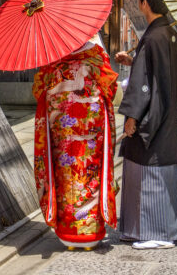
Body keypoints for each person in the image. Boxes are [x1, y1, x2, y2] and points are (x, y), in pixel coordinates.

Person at [114, 0, 177, 250]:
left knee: (147, 170)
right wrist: (133, 60)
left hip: (151, 120)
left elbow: (144, 85)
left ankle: (153, 231)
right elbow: (159, 73)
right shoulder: (168, 33)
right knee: (161, 170)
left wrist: (132, 119)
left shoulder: (152, 37)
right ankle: (161, 228)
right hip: (166, 114)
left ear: (144, 3)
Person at [33, 34, 118, 250]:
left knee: (65, 179)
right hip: (90, 130)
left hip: (61, 130)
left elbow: (39, 91)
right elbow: (111, 88)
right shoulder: (95, 56)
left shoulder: (53, 59)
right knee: (90, 174)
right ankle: (91, 233)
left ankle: (68, 233)